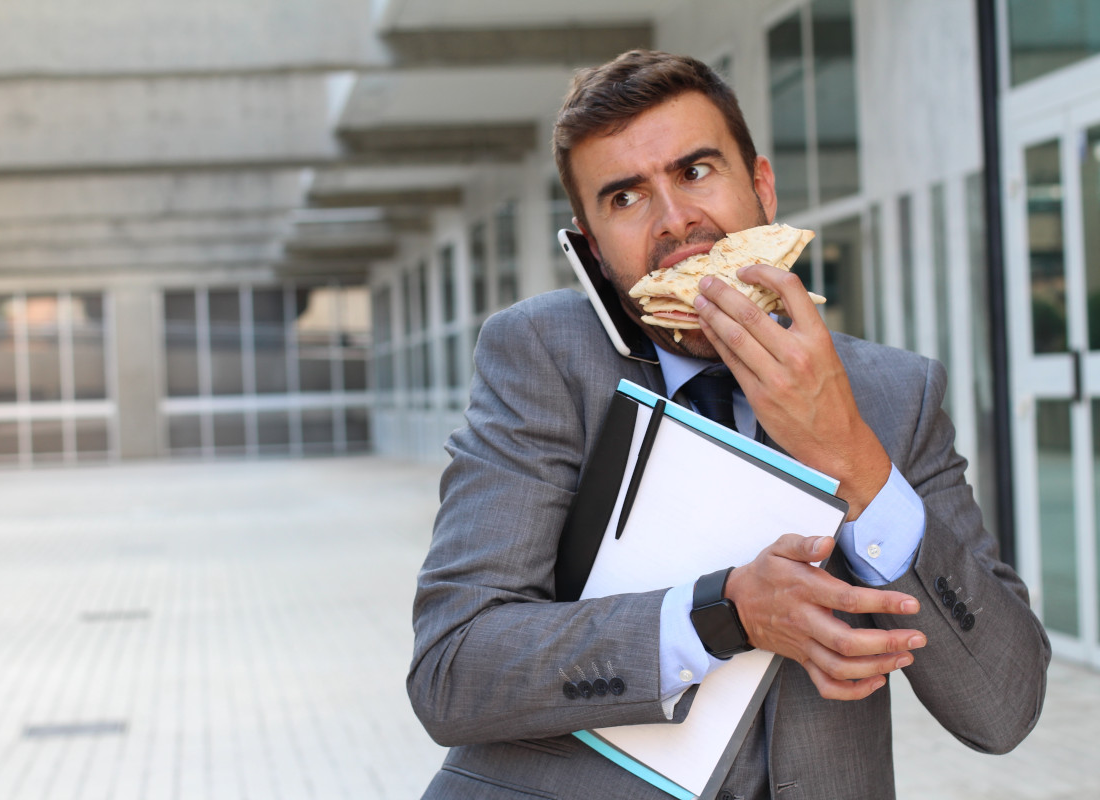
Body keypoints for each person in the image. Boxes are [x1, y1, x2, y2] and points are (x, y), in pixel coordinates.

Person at [407, 49, 1050, 800]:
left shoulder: (893, 393)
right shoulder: (543, 357)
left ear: (762, 188)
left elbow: (1005, 708)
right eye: (624, 198)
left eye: (696, 171)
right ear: (589, 247)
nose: (676, 220)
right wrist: (718, 617)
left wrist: (856, 462)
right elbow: (454, 669)